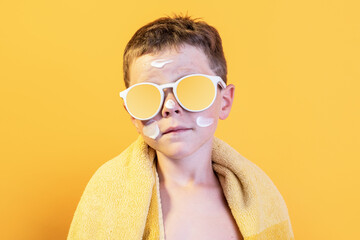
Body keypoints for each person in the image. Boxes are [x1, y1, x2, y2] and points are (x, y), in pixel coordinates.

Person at [67, 15, 294, 240]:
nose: (170, 107)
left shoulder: (261, 202)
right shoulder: (105, 199)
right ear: (132, 115)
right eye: (147, 95)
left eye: (192, 88)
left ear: (224, 102)